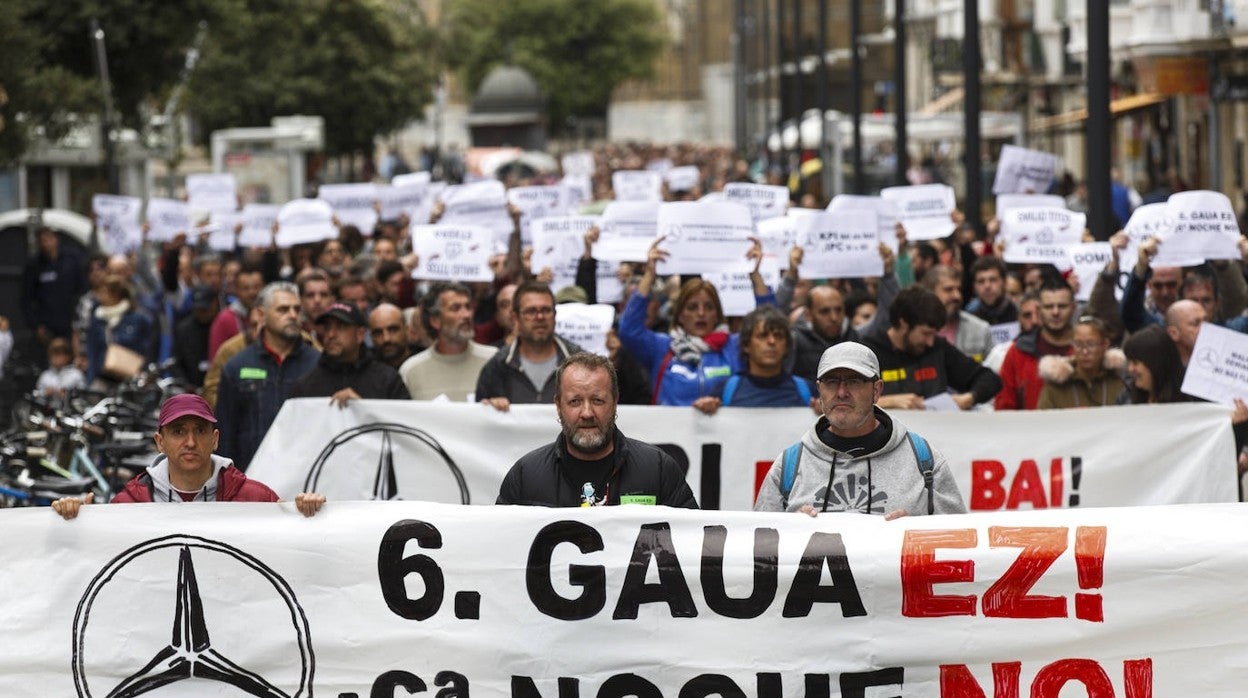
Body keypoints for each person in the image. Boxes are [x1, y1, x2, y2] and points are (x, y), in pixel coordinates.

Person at [753, 342, 966, 515]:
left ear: (876, 390)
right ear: (819, 389)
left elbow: (958, 544)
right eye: (831, 381)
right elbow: (760, 551)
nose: (842, 392)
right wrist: (791, 533)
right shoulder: (790, 464)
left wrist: (915, 535)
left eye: (854, 381)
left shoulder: (923, 459)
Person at [51, 394, 324, 517]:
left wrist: (307, 512)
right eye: (178, 431)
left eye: (200, 431)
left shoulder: (257, 498)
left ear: (214, 439)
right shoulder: (127, 505)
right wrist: (75, 520)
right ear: (160, 442)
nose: (190, 442)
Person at [496, 352, 698, 508]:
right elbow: (500, 550)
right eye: (575, 401)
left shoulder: (658, 470)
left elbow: (692, 543)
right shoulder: (526, 476)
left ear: (615, 402)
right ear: (558, 405)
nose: (587, 413)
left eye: (597, 400)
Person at [618, 237, 774, 406]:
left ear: (717, 314)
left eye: (708, 307)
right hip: (670, 431)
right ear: (680, 315)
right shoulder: (661, 348)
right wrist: (649, 274)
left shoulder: (735, 347)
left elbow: (771, 324)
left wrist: (755, 275)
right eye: (692, 307)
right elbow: (628, 330)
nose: (701, 313)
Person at [216, 281, 320, 471]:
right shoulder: (237, 366)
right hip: (251, 478)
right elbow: (225, 433)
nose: (293, 315)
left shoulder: (318, 364)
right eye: (283, 309)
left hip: (305, 476)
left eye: (297, 309)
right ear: (262, 315)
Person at [860, 287, 1002, 410]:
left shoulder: (937, 349)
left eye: (934, 334)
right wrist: (887, 402)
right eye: (925, 333)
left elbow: (989, 379)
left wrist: (968, 398)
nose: (929, 342)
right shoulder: (868, 352)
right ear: (903, 323)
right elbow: (847, 398)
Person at [477, 281, 582, 410]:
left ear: (555, 315)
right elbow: (481, 424)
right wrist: (490, 408)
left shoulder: (580, 362)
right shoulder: (498, 367)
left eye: (546, 310)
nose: (539, 317)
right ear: (515, 318)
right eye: (531, 311)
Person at [693, 306, 816, 414]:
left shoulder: (807, 391)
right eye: (762, 336)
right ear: (746, 345)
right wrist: (704, 409)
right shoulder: (724, 391)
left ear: (787, 346)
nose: (771, 341)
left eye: (778, 336)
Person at [289, 302, 408, 407]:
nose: (331, 335)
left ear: (360, 334)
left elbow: (404, 425)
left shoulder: (387, 380)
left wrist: (362, 409)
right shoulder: (306, 386)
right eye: (327, 328)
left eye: (340, 327)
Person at [400, 282, 497, 401]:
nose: (466, 315)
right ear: (435, 321)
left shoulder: (494, 361)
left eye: (468, 307)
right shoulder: (411, 371)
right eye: (455, 308)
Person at [995, 279, 1076, 410]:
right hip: (1029, 429)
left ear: (1073, 308)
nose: (1055, 312)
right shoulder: (1017, 352)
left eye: (1062, 306)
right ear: (1039, 309)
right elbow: (1004, 406)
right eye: (1049, 306)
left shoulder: (1086, 351)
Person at [1036, 315, 1127, 409]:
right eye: (1078, 345)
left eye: (1091, 344)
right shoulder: (1056, 386)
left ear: (1105, 344)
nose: (1085, 352)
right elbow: (1043, 420)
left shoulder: (1116, 383)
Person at [21, 227, 87, 348]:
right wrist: (36, 325)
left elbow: (82, 288)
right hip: (48, 323)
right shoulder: (34, 265)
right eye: (42, 240)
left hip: (71, 320)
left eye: (49, 239)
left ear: (56, 239)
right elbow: (27, 298)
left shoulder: (72, 259)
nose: (46, 244)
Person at [84, 274, 154, 385]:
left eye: (104, 292)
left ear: (115, 294)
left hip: (133, 379)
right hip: (103, 376)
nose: (100, 297)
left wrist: (146, 373)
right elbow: (92, 351)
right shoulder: (98, 320)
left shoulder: (139, 319)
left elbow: (149, 348)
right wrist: (90, 380)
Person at [921, 264, 994, 362]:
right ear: (930, 293)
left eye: (959, 289)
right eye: (948, 290)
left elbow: (991, 372)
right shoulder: (915, 331)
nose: (957, 296)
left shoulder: (980, 329)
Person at [1121, 324, 1187, 405]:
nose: (1130, 369)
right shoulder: (1125, 398)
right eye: (1129, 362)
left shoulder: (1191, 401)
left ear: (1156, 363)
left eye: (1135, 362)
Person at [208, 264, 263, 360]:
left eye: (256, 287)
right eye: (246, 288)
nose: (252, 292)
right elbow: (216, 359)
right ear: (236, 290)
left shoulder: (270, 315)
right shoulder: (225, 319)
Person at [171, 284, 218, 388]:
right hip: (191, 387)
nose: (202, 313)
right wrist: (185, 384)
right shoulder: (183, 329)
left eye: (205, 309)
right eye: (198, 309)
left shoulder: (221, 326)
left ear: (214, 304)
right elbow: (176, 362)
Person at [965, 256, 1017, 325]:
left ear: (1005, 282)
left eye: (993, 280)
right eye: (981, 281)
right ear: (974, 287)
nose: (987, 286)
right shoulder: (969, 317)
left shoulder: (1019, 312)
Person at [369, 302, 412, 370]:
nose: (386, 339)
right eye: (378, 333)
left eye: (393, 330)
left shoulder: (422, 363)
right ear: (371, 337)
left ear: (407, 330)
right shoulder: (367, 370)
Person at [1164, 299, 1206, 366]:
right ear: (1174, 333)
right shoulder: (1162, 369)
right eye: (1196, 323)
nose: (1205, 328)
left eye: (1206, 321)